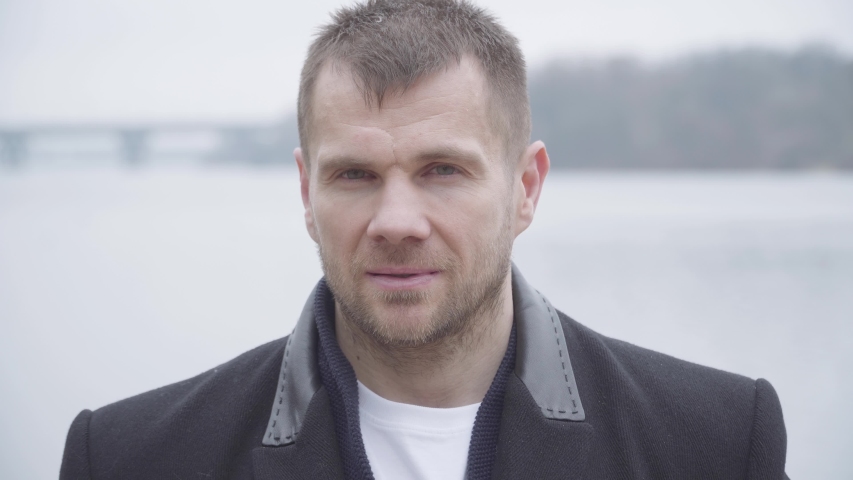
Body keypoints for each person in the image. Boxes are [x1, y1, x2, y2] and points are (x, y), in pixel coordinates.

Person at [60, 1, 789, 478]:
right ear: (305, 193)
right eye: (353, 175)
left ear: (524, 188)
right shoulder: (132, 457)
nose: (396, 221)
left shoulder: (715, 445)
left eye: (442, 170)